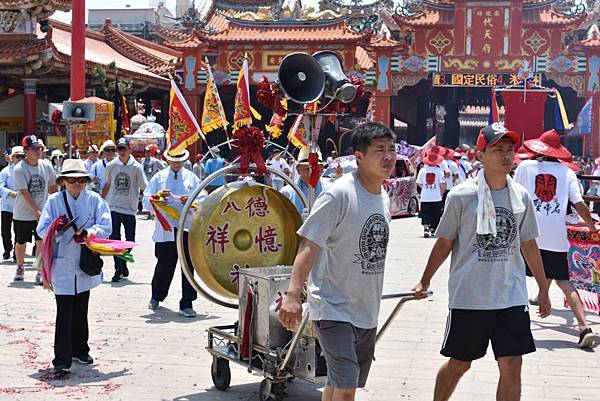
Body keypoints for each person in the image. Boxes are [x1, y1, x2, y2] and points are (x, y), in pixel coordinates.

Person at [413, 123, 551, 401]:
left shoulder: (520, 196)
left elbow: (528, 244)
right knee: (460, 364)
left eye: (509, 150)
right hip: (471, 298)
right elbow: (444, 242)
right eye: (497, 149)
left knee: (513, 365)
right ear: (480, 154)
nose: (506, 156)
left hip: (510, 296)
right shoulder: (462, 196)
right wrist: (424, 279)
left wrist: (543, 288)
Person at [278, 122, 396, 401]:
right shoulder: (339, 194)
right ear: (359, 156)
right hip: (333, 307)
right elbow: (309, 243)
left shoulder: (383, 197)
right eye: (380, 150)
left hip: (366, 308)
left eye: (391, 149)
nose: (388, 156)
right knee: (346, 388)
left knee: (336, 382)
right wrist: (293, 294)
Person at [514, 129, 597, 348]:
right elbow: (579, 204)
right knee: (564, 282)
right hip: (555, 237)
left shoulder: (524, 167)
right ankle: (584, 327)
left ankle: (515, 325)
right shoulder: (567, 172)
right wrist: (592, 226)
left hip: (526, 235)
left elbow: (514, 197)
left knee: (516, 278)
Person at [37, 159, 111, 376]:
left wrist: (91, 233)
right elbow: (42, 230)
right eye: (71, 179)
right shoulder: (54, 201)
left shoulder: (94, 199)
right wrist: (56, 228)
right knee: (64, 311)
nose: (76, 183)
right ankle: (61, 358)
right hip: (63, 263)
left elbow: (105, 224)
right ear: (63, 181)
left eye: (80, 179)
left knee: (82, 308)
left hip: (85, 261)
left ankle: (81, 349)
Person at [143, 148, 203, 317]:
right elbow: (146, 199)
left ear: (184, 161)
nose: (176, 163)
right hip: (166, 227)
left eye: (179, 160)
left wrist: (189, 200)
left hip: (186, 227)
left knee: (188, 265)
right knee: (164, 264)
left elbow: (202, 200)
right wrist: (158, 199)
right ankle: (157, 295)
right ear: (168, 160)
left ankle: (187, 302)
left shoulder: (192, 178)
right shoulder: (159, 177)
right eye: (173, 160)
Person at [13, 135, 58, 284]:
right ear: (26, 151)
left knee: (41, 242)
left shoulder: (46, 165)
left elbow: (52, 186)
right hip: (23, 213)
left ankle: (39, 271)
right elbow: (24, 192)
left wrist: (54, 205)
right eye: (34, 148)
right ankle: (20, 266)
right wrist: (35, 211)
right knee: (21, 242)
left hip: (43, 213)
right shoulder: (20, 168)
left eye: (39, 148)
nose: (38, 151)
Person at [102, 137, 147, 282]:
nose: (121, 152)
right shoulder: (111, 165)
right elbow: (107, 184)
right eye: (119, 149)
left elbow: (144, 187)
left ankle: (123, 261)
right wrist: (101, 202)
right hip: (113, 207)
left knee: (130, 240)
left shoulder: (136, 167)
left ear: (130, 149)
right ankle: (118, 269)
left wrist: (154, 201)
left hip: (130, 209)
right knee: (115, 240)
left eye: (123, 149)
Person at [280, 146, 327, 219]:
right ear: (298, 170)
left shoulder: (329, 189)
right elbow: (282, 218)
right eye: (307, 169)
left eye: (315, 169)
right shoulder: (286, 193)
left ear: (322, 169)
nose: (312, 173)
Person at [0, 146, 24, 260]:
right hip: (7, 205)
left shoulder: (25, 170)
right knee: (5, 229)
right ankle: (7, 249)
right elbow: (0, 186)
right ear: (12, 158)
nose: (19, 159)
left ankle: (16, 252)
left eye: (21, 156)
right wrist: (9, 193)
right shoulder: (5, 171)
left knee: (18, 230)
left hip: (21, 205)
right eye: (17, 156)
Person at [416, 150, 446, 238]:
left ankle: (425, 229)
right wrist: (441, 192)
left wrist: (425, 188)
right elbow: (442, 185)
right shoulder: (439, 171)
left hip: (425, 196)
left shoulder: (422, 170)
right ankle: (433, 230)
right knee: (435, 214)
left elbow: (419, 183)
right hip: (436, 196)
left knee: (425, 213)